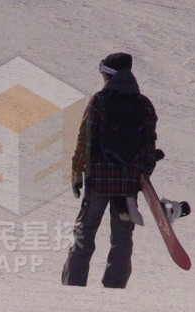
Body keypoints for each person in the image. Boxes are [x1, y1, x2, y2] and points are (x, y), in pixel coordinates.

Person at [61, 52, 158, 288]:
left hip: (99, 182)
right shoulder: (144, 104)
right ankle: (115, 288)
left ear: (109, 74)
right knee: (123, 238)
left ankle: (73, 286)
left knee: (85, 233)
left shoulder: (100, 100)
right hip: (128, 187)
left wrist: (76, 171)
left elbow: (85, 138)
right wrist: (142, 175)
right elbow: (150, 144)